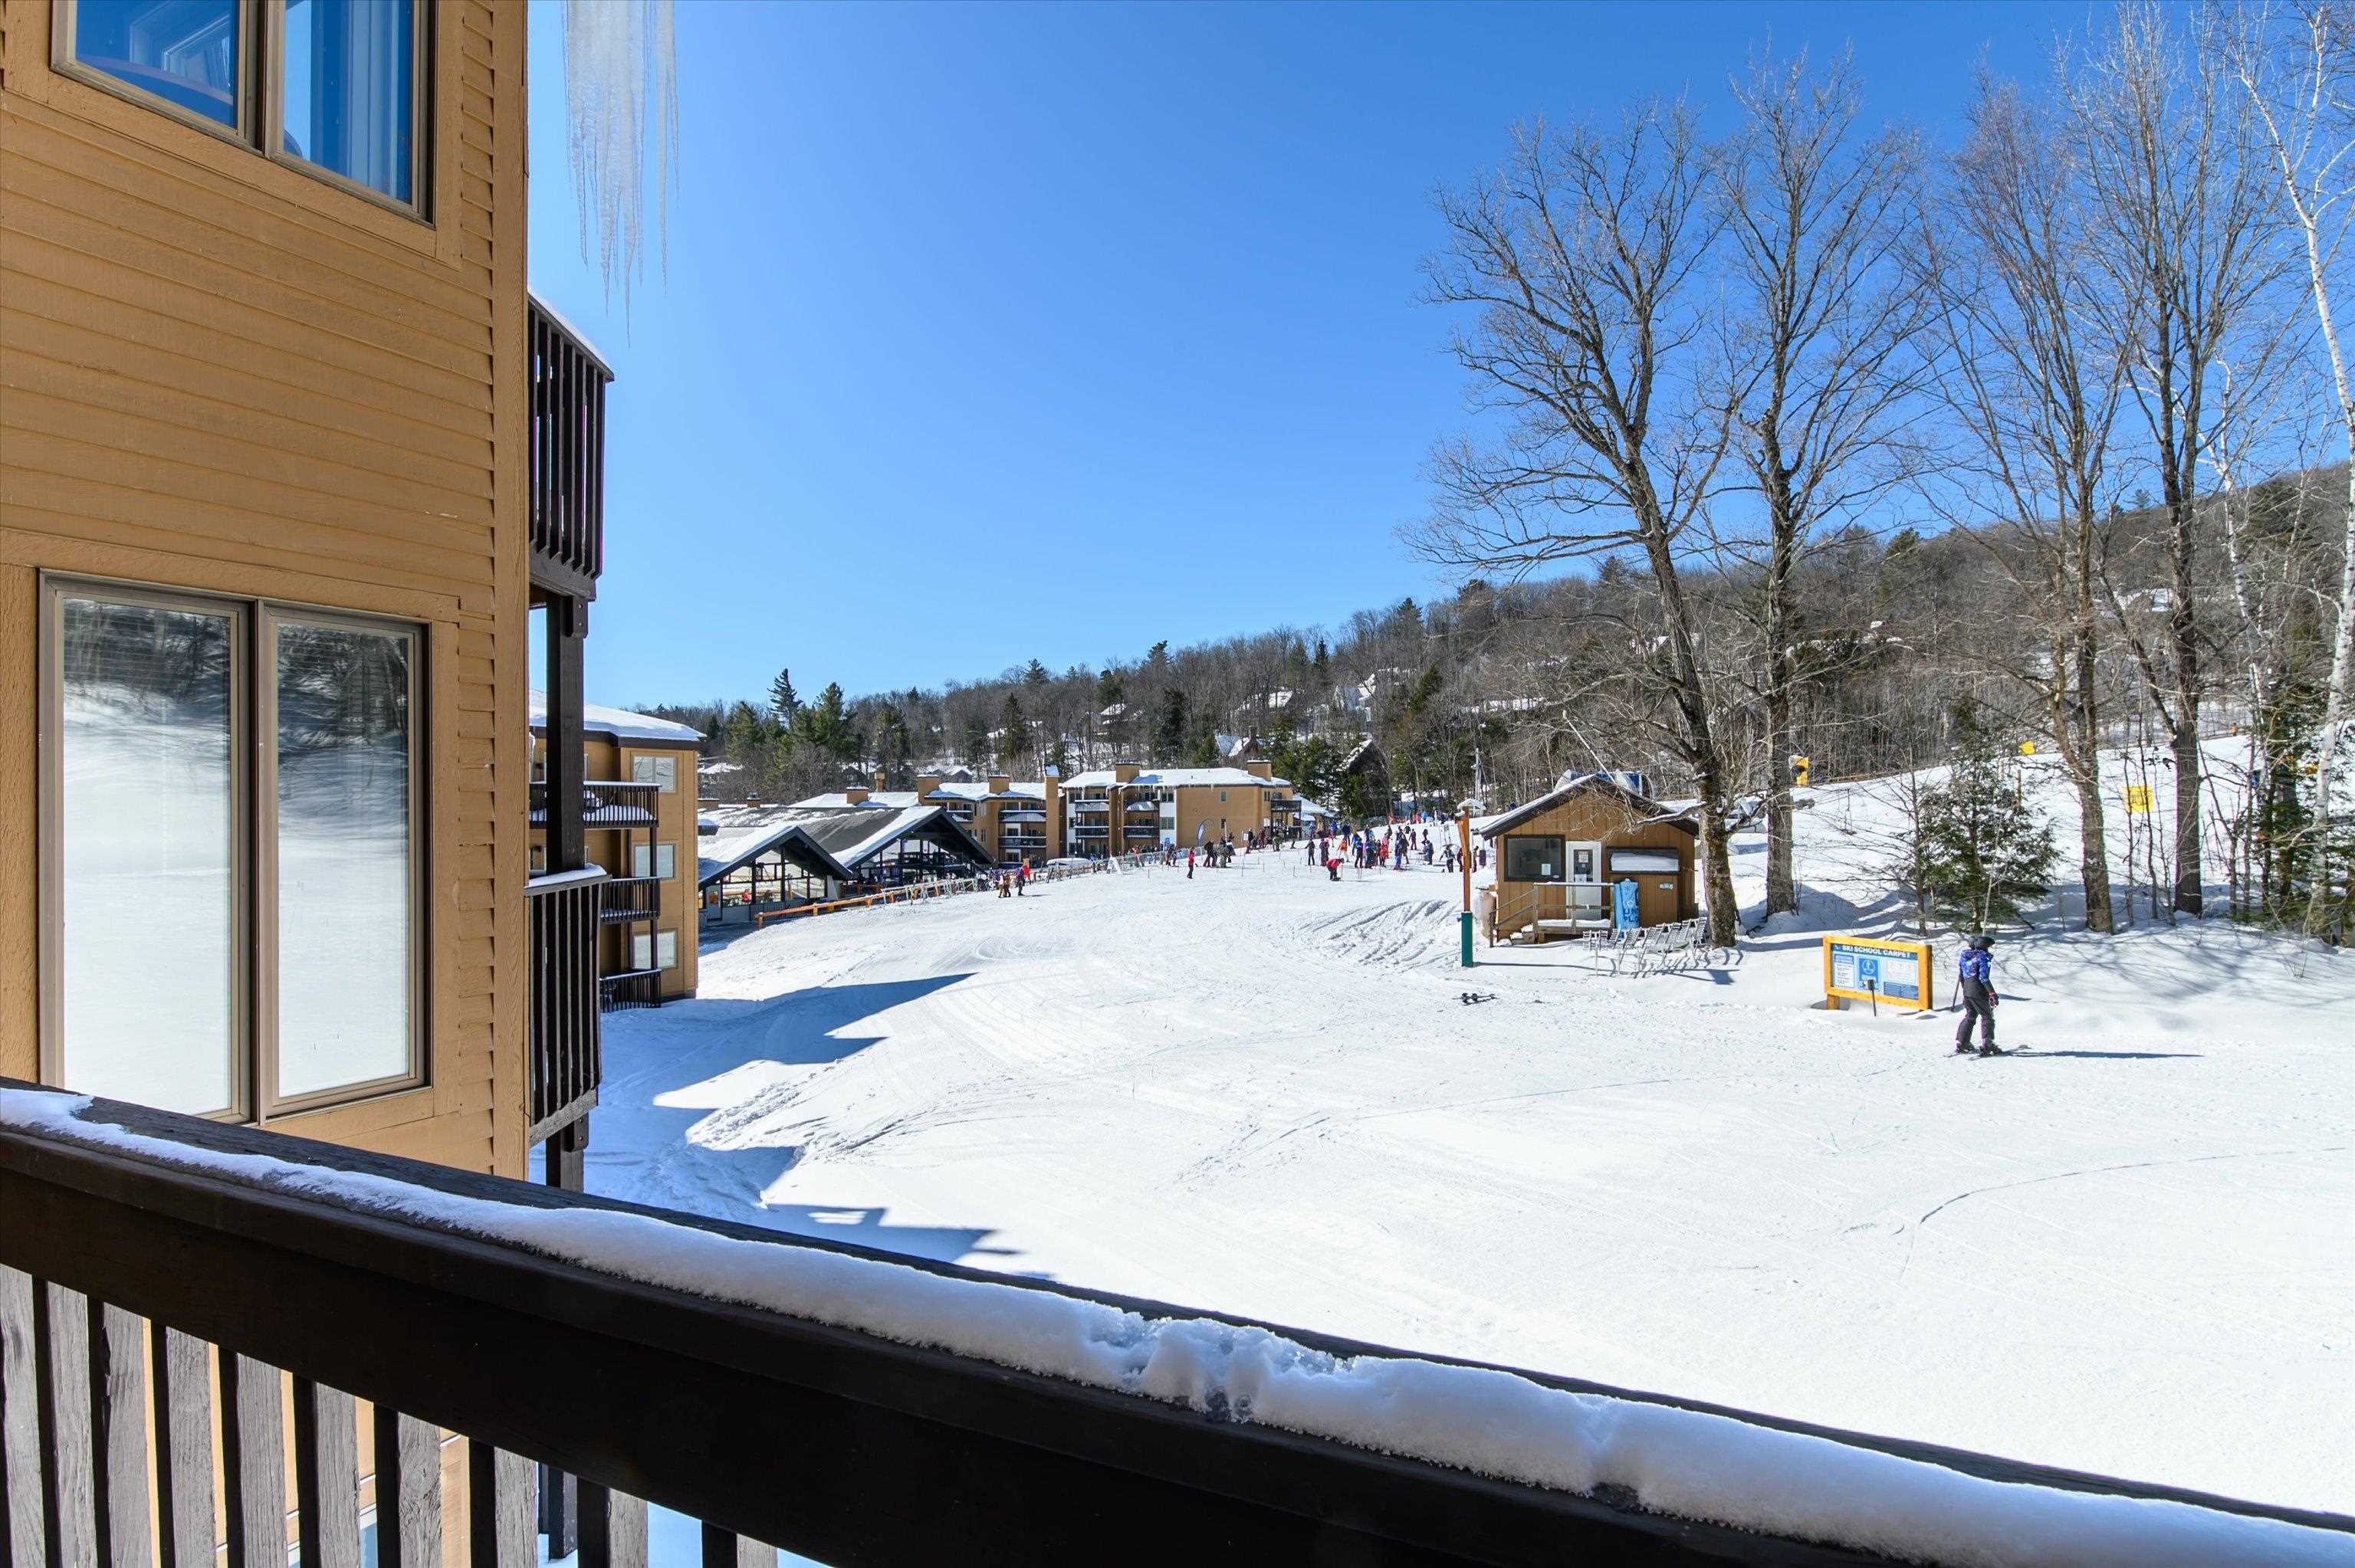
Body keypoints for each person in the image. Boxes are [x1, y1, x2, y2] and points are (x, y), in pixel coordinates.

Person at [1954, 933, 1999, 1056]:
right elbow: (1984, 978)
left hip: (1967, 990)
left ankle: (1962, 1043)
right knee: (1987, 1016)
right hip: (1979, 990)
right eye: (1988, 947)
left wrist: (1965, 993)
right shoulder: (1982, 957)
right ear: (1984, 947)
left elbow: (1961, 976)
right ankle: (1988, 1044)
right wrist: (1992, 993)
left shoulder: (1965, 957)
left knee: (1970, 1016)